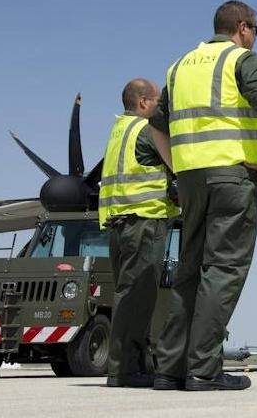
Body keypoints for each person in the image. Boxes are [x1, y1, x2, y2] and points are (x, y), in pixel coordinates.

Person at [149, 0, 257, 391]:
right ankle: (203, 370)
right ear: (242, 27)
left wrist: (178, 166)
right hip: (232, 178)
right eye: (256, 30)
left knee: (189, 271)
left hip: (191, 180)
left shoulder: (178, 68)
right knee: (222, 270)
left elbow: (155, 127)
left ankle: (168, 369)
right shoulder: (242, 61)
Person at [98, 78, 179, 388]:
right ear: (143, 102)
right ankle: (125, 370)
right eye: (157, 101)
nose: (160, 108)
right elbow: (179, 160)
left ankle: (135, 365)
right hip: (143, 223)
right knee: (137, 298)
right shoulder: (147, 132)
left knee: (128, 294)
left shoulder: (119, 131)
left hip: (119, 225)